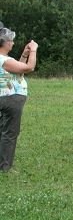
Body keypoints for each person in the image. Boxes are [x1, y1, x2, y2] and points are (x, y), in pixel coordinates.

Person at [0, 27, 38, 171]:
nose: (13, 43)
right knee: (10, 133)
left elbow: (18, 71)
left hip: (5, 97)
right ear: (4, 43)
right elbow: (29, 68)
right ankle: (5, 167)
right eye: (11, 41)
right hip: (11, 99)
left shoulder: (5, 60)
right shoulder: (3, 60)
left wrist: (24, 54)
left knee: (3, 130)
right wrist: (33, 50)